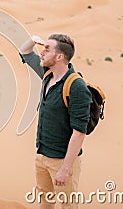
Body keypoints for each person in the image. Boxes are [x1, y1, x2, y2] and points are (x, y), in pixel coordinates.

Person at [19, 34, 92, 209]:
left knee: (67, 206)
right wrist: (33, 39)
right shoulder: (48, 74)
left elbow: (79, 133)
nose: (42, 53)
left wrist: (65, 170)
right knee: (45, 203)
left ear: (60, 57)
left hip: (62, 160)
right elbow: (24, 52)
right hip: (42, 155)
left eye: (47, 49)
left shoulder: (76, 87)